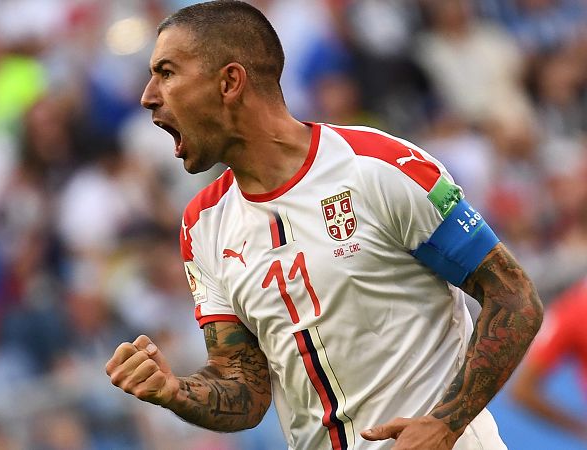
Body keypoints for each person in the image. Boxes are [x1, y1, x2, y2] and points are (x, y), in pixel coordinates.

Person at [104, 2, 544, 449]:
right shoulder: (202, 226)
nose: (148, 95)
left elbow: (513, 296)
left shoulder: (378, 168)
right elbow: (245, 389)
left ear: (230, 82)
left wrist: (445, 424)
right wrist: (175, 391)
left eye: (166, 72)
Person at [511, 276, 587, 440]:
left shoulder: (573, 307)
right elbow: (523, 389)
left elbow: (522, 389)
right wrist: (578, 427)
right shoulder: (573, 309)